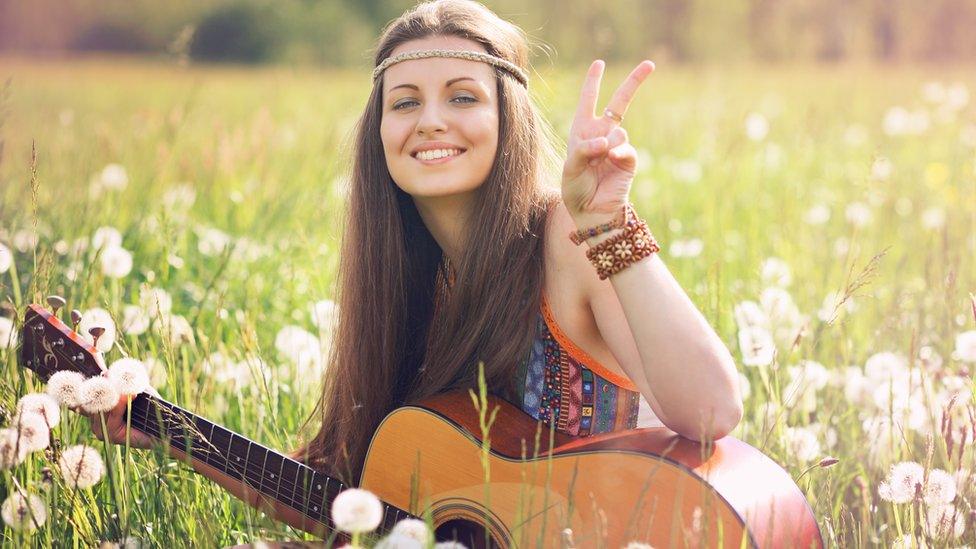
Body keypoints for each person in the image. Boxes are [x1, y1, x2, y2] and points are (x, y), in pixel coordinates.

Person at [92, 0, 743, 537]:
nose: (431, 121)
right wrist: (160, 428)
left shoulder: (566, 238)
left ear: (505, 117)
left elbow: (713, 411)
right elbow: (351, 500)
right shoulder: (401, 284)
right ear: (378, 129)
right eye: (404, 102)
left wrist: (607, 220)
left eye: (462, 97)